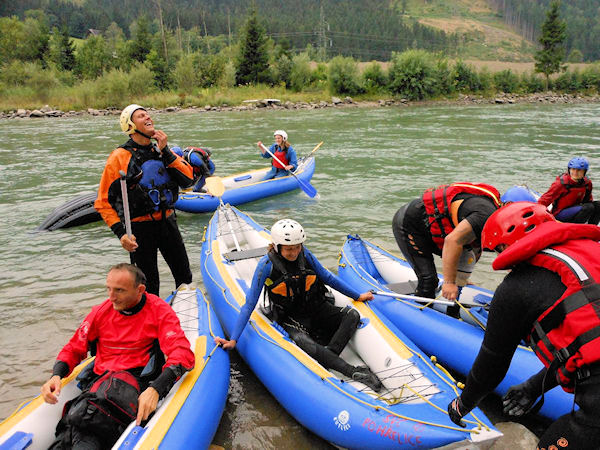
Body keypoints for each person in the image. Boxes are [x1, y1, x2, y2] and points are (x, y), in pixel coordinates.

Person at [447, 202, 600, 449]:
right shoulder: (594, 252)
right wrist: (533, 387)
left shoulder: (516, 288)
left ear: (505, 245)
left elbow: (491, 367)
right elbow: (586, 340)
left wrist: (462, 404)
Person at [214, 219, 383, 392]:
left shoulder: (305, 255)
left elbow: (328, 278)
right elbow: (249, 304)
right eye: (289, 249)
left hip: (317, 307)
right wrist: (233, 339)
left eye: (297, 247)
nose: (294, 252)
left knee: (352, 315)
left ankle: (327, 357)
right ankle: (353, 372)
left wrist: (358, 296)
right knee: (303, 342)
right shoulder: (266, 266)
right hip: (292, 318)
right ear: (277, 246)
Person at [41, 263, 195, 449]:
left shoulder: (158, 310)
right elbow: (74, 348)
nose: (111, 297)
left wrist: (156, 389)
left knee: (88, 428)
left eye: (119, 290)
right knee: (77, 425)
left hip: (135, 383)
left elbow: (182, 354)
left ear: (140, 290)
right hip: (99, 384)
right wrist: (56, 375)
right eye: (109, 289)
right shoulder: (100, 312)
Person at [95, 104, 195, 295]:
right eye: (141, 116)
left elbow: (188, 180)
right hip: (140, 230)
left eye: (148, 114)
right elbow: (103, 202)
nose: (148, 117)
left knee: (185, 277)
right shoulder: (119, 157)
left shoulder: (162, 151)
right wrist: (121, 234)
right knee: (148, 287)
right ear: (130, 126)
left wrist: (166, 151)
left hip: (168, 223)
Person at [392, 182, 501, 314]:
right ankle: (420, 315)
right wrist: (449, 283)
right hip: (411, 224)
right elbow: (452, 241)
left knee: (460, 278)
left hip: (437, 229)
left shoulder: (498, 221)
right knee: (429, 280)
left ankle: (451, 313)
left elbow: (476, 248)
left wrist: (461, 278)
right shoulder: (485, 215)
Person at [538, 156, 600, 225]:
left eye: (579, 170)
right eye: (573, 169)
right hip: (560, 214)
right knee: (588, 208)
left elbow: (588, 201)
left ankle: (592, 227)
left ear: (584, 171)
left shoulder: (587, 184)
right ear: (569, 170)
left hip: (576, 211)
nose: (575, 172)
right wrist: (538, 213)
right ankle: (575, 228)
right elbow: (545, 199)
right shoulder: (560, 184)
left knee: (598, 205)